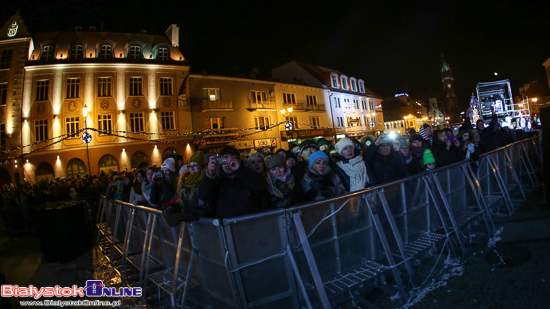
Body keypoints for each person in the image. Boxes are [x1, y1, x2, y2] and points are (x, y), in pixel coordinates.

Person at [198, 146, 267, 218]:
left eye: (231, 161)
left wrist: (240, 170)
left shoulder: (248, 173)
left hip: (248, 222)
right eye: (224, 161)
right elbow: (203, 196)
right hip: (226, 224)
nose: (227, 164)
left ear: (239, 161)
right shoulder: (217, 178)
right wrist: (210, 175)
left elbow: (261, 187)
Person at [163, 151, 210, 226]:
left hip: (206, 225)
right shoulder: (185, 181)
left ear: (202, 166)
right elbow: (183, 201)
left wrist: (185, 215)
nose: (192, 169)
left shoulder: (207, 179)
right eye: (190, 166)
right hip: (192, 226)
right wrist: (171, 208)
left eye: (195, 166)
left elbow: (208, 205)